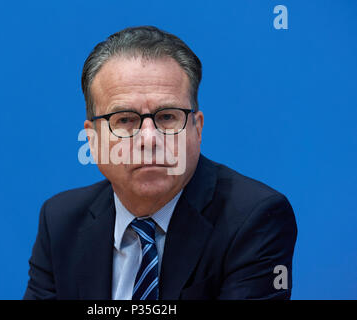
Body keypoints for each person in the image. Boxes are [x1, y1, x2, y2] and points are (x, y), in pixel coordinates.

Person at [23, 26, 297, 300]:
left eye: (167, 117)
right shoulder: (60, 222)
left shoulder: (255, 219)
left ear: (197, 129)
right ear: (92, 139)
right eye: (125, 120)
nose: (149, 138)